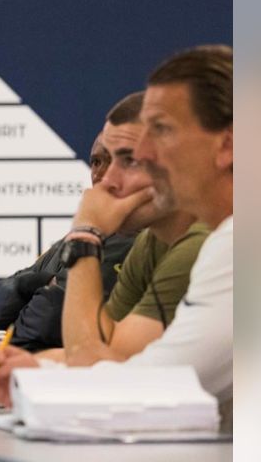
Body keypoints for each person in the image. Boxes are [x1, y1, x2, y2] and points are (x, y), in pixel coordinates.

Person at [0, 45, 234, 414]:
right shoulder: (212, 240)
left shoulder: (238, 245)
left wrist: (86, 234)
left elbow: (143, 385)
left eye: (163, 131)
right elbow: (123, 358)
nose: (146, 153)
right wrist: (24, 371)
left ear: (228, 145)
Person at [59, 91, 208, 365]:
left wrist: (85, 234)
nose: (107, 181)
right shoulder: (151, 241)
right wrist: (22, 365)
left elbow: (92, 361)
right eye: (103, 160)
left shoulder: (204, 244)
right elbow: (107, 342)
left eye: (131, 161)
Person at [0, 121, 137, 351]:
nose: (102, 174)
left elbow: (41, 329)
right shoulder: (72, 239)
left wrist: (33, 288)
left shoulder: (134, 241)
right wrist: (36, 283)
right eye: (96, 162)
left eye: (114, 161)